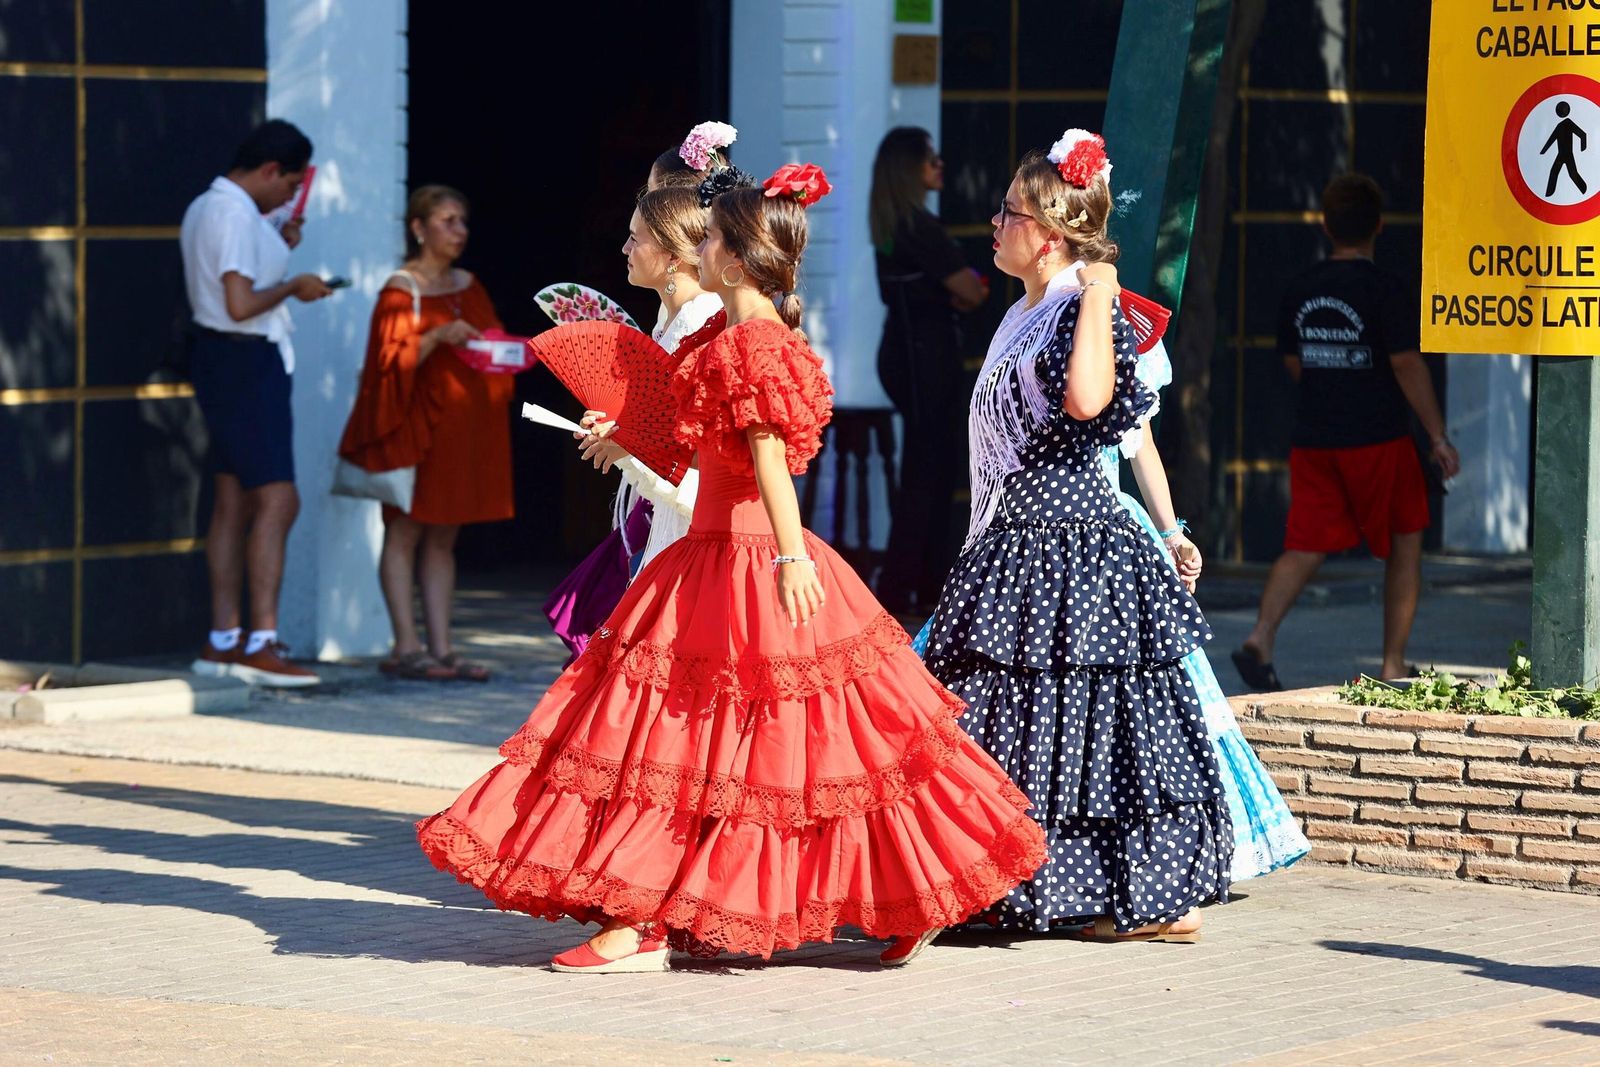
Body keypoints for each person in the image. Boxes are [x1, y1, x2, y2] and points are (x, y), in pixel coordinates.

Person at [416, 166, 1046, 973]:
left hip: (743, 558)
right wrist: (631, 440)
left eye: (711, 237)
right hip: (724, 551)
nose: (700, 247)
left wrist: (788, 555)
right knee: (800, 746)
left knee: (702, 740)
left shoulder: (750, 343)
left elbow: (769, 459)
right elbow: (709, 453)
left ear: (738, 259)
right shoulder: (740, 337)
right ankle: (864, 899)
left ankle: (644, 918)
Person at [911, 132, 1232, 948]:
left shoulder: (1079, 308)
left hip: (1071, 550)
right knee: (1036, 719)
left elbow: (1090, 403)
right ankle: (1031, 882)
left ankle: (1142, 896)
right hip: (1021, 541)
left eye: (1009, 213)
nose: (994, 223)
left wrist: (1099, 290)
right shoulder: (1022, 309)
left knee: (1092, 724)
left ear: (1050, 234)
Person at [1232, 174, 1460, 692]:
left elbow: (1293, 361)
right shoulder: (1385, 289)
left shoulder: (1302, 288)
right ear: (1378, 226)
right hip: (1380, 440)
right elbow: (1406, 365)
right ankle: (1393, 665)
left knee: (1305, 544)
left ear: (1327, 226)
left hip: (1315, 440)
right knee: (1404, 541)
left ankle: (1260, 637)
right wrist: (1438, 437)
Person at [1102, 350, 1311, 881]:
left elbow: (1140, 444)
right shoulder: (1021, 325)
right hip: (1028, 538)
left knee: (1154, 698)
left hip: (1108, 537)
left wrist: (1172, 535)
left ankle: (1165, 857)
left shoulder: (1124, 334)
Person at [544, 122, 739, 663]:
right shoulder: (670, 318)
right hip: (656, 509)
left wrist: (628, 442)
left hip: (687, 516)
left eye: (639, 233)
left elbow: (695, 447)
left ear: (675, 248)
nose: (626, 246)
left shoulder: (705, 322)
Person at [337, 186, 511, 682]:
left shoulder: (469, 284)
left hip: (458, 429)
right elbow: (386, 363)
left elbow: (495, 344)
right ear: (418, 228)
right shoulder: (401, 288)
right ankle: (406, 647)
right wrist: (436, 335)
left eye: (462, 221)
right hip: (412, 429)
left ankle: (442, 649)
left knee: (443, 537)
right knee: (405, 530)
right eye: (447, 221)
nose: (459, 231)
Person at [182, 119, 330, 688]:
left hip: (226, 360)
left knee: (231, 498)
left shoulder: (216, 207)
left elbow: (238, 278)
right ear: (271, 170)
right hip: (245, 362)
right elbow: (240, 304)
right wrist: (295, 285)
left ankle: (224, 639)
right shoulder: (232, 214)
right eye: (289, 185)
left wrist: (278, 241)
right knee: (277, 499)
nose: (289, 197)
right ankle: (261, 642)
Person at [870, 127, 989, 613]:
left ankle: (914, 582)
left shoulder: (894, 226)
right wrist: (961, 289)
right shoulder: (919, 227)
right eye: (930, 160)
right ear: (910, 168)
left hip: (906, 354)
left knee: (926, 468)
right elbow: (972, 290)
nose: (940, 166)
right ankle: (913, 584)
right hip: (924, 359)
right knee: (930, 472)